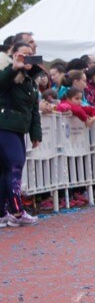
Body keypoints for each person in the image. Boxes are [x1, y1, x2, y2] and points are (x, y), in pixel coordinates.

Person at [0, 41, 43, 227]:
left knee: (5, 171)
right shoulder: (8, 73)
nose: (27, 58)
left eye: (30, 54)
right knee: (14, 166)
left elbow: (34, 109)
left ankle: (2, 213)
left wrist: (36, 133)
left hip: (19, 129)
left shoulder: (31, 80)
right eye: (23, 54)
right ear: (14, 54)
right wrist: (13, 68)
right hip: (4, 126)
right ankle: (17, 211)